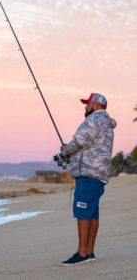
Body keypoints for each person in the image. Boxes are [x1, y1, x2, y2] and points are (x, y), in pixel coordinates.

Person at [60, 93, 117, 265]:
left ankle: (82, 253)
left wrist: (65, 150)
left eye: (88, 104)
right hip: (99, 176)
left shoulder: (95, 119)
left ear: (97, 105)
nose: (86, 107)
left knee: (83, 212)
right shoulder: (106, 124)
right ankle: (90, 252)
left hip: (88, 174)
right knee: (92, 213)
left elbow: (80, 140)